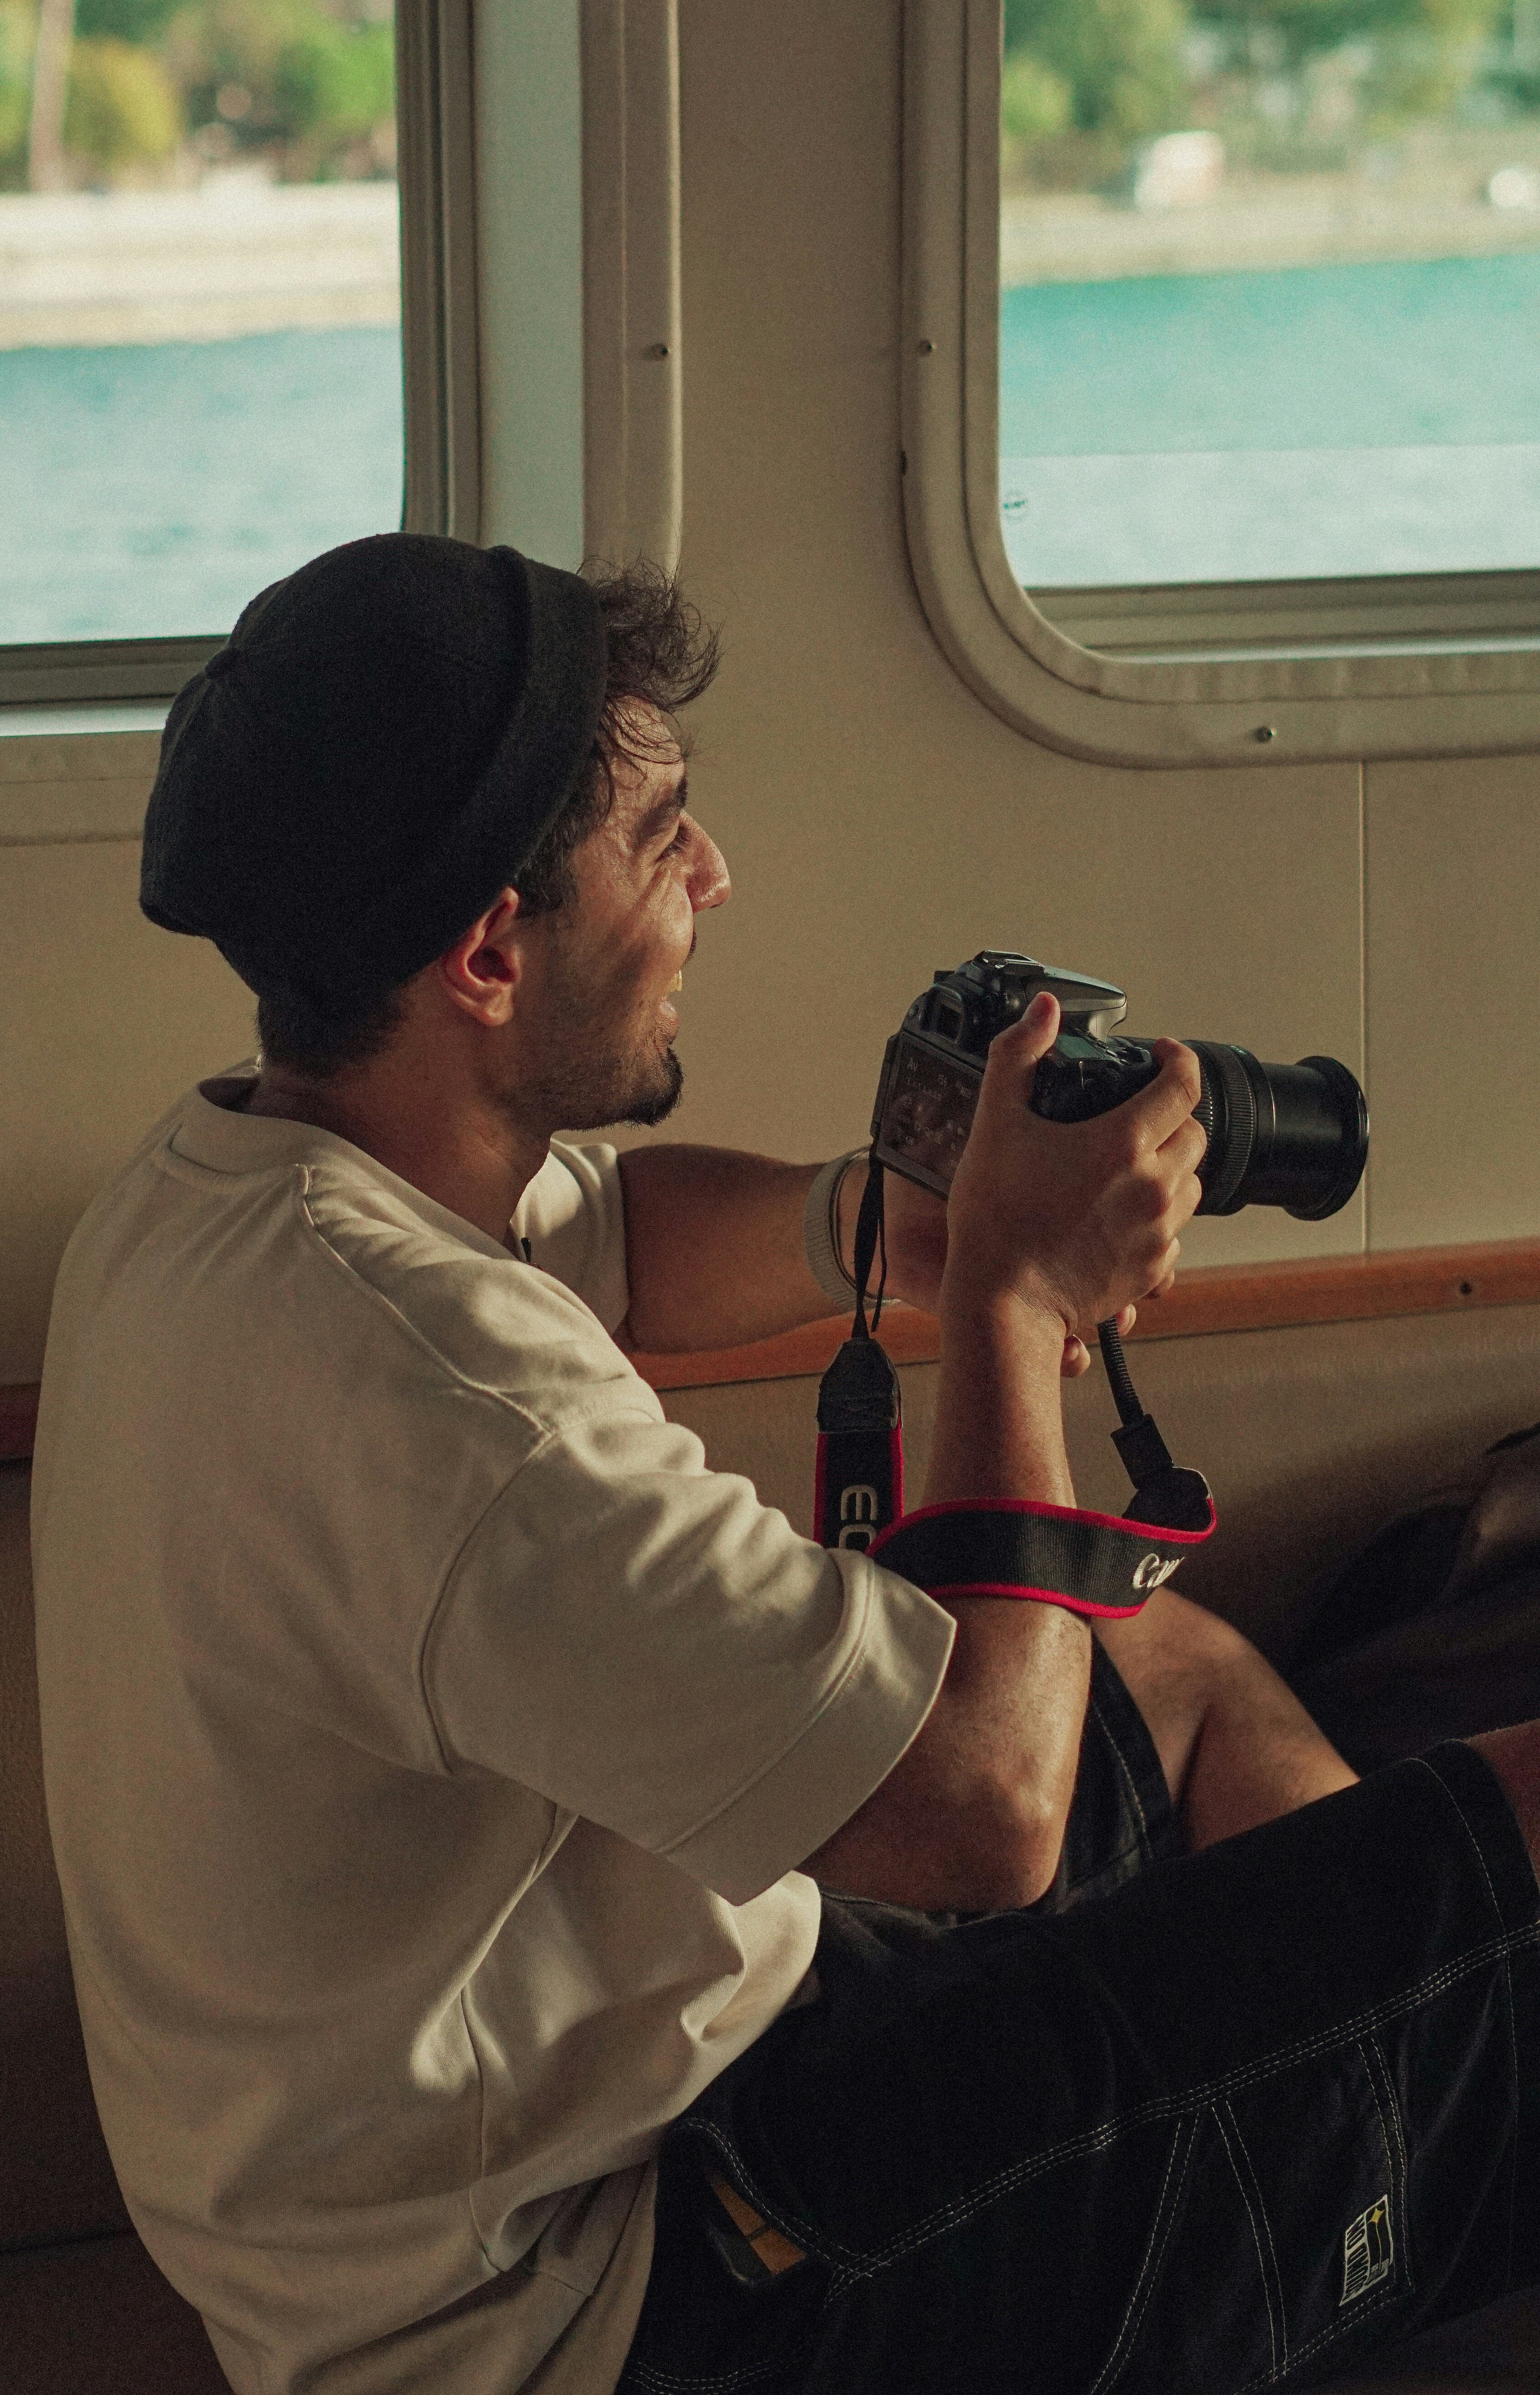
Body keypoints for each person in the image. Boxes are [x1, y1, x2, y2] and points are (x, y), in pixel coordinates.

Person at [28, 533, 1540, 2395]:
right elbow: (987, 1815)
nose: (716, 879)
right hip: (612, 2300)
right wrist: (1010, 1298)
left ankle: (1339, 2138)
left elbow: (624, 1235)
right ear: (491, 952)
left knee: (1167, 1667)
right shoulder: (447, 1404)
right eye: (664, 841)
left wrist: (889, 1223)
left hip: (570, 2110)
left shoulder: (232, 1198)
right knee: (1517, 1816)